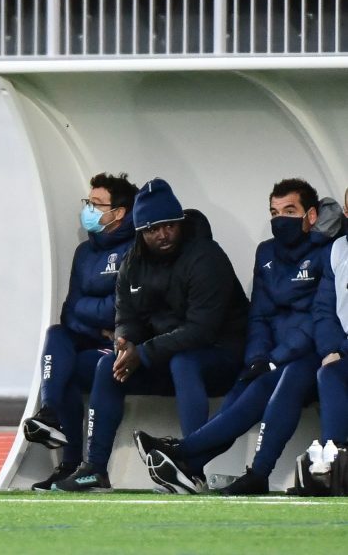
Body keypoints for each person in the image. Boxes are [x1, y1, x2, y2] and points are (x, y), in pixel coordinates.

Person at [135, 179, 344, 495]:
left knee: (276, 382)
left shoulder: (327, 249)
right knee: (242, 391)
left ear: (311, 216)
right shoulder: (267, 253)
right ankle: (190, 464)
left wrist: (274, 360)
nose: (280, 219)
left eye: (290, 211)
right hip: (271, 355)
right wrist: (258, 358)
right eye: (274, 212)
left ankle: (192, 454)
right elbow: (258, 314)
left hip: (305, 355)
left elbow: (317, 318)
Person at [54, 178, 249, 492]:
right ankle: (94, 469)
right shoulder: (133, 261)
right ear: (141, 232)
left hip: (220, 355)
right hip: (167, 354)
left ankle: (191, 467)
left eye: (170, 225)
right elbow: (126, 315)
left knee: (184, 362)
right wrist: (125, 341)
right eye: (153, 229)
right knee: (109, 367)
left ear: (179, 223)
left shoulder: (206, 257)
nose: (163, 234)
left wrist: (142, 353)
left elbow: (201, 330)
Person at [21, 173, 138, 491]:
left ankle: (80, 463)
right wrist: (96, 320)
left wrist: (98, 317)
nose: (88, 209)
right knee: (57, 333)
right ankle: (50, 416)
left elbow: (121, 309)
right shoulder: (84, 252)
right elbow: (70, 310)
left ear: (120, 212)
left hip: (118, 346)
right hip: (90, 337)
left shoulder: (135, 248)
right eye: (88, 202)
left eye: (97, 204)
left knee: (70, 370)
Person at [314, 186, 348, 446]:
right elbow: (324, 309)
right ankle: (334, 461)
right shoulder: (338, 249)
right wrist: (330, 349)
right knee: (330, 373)